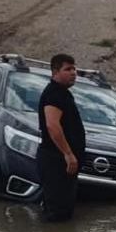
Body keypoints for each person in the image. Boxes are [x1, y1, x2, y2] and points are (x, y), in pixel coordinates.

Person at [38, 54, 86, 222]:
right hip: (56, 160)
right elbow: (52, 125)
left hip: (62, 162)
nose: (73, 73)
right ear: (55, 72)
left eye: (74, 69)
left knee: (64, 209)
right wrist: (68, 153)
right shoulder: (54, 93)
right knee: (57, 212)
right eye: (68, 69)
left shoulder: (63, 93)